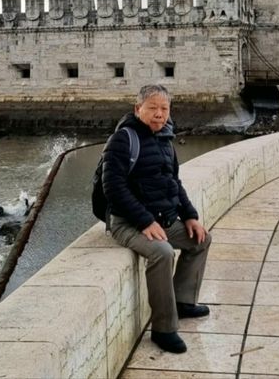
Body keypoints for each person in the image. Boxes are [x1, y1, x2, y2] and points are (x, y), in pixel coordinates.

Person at [102, 84, 211, 355]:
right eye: (153, 108)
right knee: (162, 253)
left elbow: (174, 182)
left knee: (201, 239)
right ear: (138, 109)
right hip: (127, 222)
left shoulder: (165, 139)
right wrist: (144, 221)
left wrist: (190, 216)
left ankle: (183, 302)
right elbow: (113, 187)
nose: (159, 114)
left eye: (164, 109)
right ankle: (163, 328)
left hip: (161, 218)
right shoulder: (123, 140)